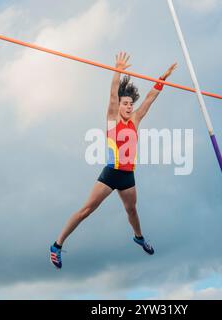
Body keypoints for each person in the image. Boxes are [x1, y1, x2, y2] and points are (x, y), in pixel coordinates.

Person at [50, 52, 177, 269]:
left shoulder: (135, 120)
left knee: (132, 210)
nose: (129, 106)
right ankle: (57, 245)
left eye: (130, 104)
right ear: (119, 105)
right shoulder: (111, 120)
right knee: (87, 210)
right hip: (111, 173)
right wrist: (117, 70)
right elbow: (111, 95)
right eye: (125, 103)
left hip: (127, 175)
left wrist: (162, 79)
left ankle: (138, 237)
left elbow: (149, 99)